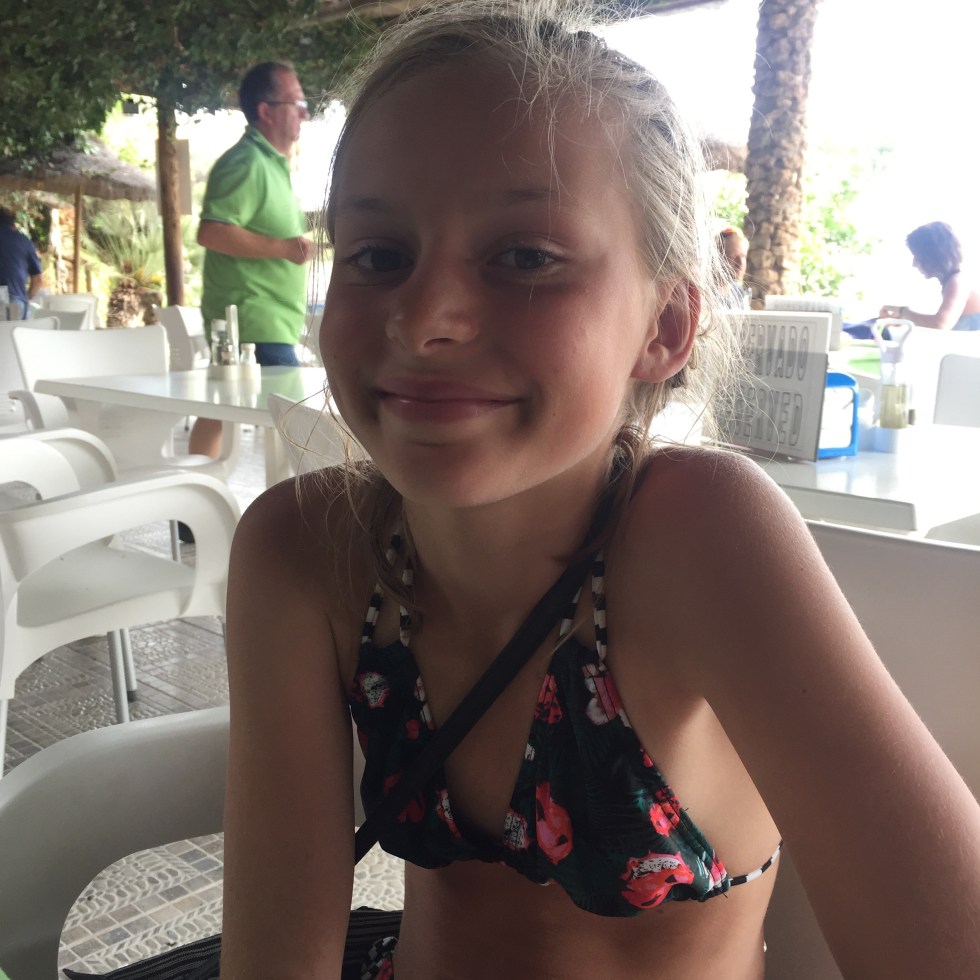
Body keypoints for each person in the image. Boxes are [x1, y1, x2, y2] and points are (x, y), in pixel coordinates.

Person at [221, 3, 980, 978]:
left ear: (663, 327)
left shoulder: (698, 538)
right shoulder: (304, 548)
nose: (424, 317)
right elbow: (275, 950)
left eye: (525, 257)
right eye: (377, 255)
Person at [189, 61, 316, 460]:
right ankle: (306, 503)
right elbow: (212, 231)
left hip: (268, 319)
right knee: (300, 427)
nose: (304, 113)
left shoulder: (273, 165)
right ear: (266, 110)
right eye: (297, 103)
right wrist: (284, 248)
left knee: (220, 412)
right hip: (252, 320)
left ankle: (195, 492)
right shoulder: (246, 163)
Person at [879, 220, 980, 330]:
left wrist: (902, 312)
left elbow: (940, 324)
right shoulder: (953, 282)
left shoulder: (957, 282)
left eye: (918, 256)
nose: (914, 264)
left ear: (933, 256)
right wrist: (901, 320)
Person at [0, 206, 44, 319]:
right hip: (14, 300)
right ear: (14, 225)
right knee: (16, 330)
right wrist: (26, 298)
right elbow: (38, 279)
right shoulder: (24, 241)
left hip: (10, 298)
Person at [717, 225, 751, 309]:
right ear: (717, 257)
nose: (740, 263)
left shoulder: (740, 293)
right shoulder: (703, 294)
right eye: (733, 256)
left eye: (743, 256)